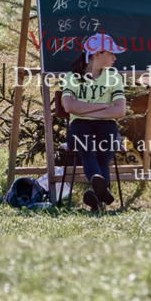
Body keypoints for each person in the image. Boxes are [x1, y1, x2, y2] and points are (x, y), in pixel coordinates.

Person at [61, 32, 127, 211]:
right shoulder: (72, 77)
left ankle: (97, 194)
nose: (114, 57)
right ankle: (103, 192)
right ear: (97, 54)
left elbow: (120, 110)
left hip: (106, 124)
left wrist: (85, 108)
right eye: (111, 53)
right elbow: (68, 107)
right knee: (87, 150)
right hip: (80, 125)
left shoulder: (113, 77)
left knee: (105, 153)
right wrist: (102, 107)